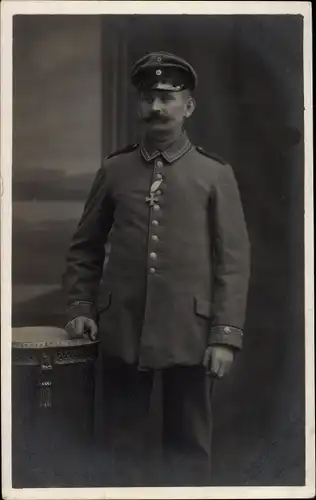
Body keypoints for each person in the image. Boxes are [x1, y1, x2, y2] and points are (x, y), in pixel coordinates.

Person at [63, 51, 251, 486]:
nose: (157, 108)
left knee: (188, 447)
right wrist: (79, 306)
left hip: (192, 332)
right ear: (138, 105)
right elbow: (84, 247)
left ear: (189, 107)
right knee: (117, 446)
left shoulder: (214, 174)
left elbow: (234, 263)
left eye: (169, 98)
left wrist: (225, 336)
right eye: (149, 98)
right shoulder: (115, 169)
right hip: (121, 329)